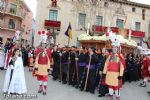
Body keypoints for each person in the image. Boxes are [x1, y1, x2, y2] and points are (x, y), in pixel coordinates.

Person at [102, 33, 125, 100]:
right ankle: (111, 96)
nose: (114, 48)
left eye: (116, 47)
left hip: (116, 74)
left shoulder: (120, 56)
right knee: (110, 85)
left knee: (116, 86)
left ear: (118, 48)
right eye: (113, 47)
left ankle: (117, 97)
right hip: (109, 73)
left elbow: (122, 66)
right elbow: (106, 64)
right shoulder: (109, 55)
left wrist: (120, 75)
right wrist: (104, 73)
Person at [33, 30, 53, 95]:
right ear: (41, 44)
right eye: (42, 44)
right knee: (39, 78)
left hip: (45, 67)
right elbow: (36, 59)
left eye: (44, 44)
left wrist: (49, 67)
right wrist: (36, 66)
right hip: (39, 66)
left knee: (45, 78)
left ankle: (44, 90)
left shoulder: (48, 51)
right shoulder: (38, 50)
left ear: (46, 44)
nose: (43, 45)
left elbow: (49, 60)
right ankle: (40, 88)